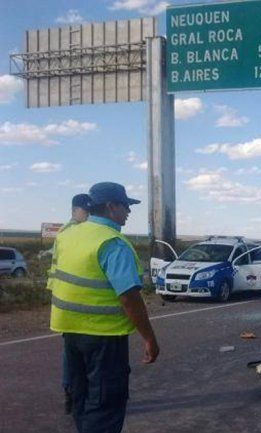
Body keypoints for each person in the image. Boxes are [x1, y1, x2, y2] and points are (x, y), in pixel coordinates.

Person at [48, 182, 160, 433]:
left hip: (70, 330)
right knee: (105, 405)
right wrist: (149, 338)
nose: (129, 212)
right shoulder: (112, 243)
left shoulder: (68, 235)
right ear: (111, 207)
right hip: (103, 336)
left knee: (82, 396)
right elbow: (129, 297)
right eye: (126, 206)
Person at [50, 193, 93, 415]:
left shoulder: (70, 231)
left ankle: (75, 392)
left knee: (74, 351)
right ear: (75, 210)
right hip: (69, 300)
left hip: (69, 298)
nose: (88, 215)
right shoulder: (69, 232)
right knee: (73, 353)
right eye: (85, 211)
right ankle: (72, 392)